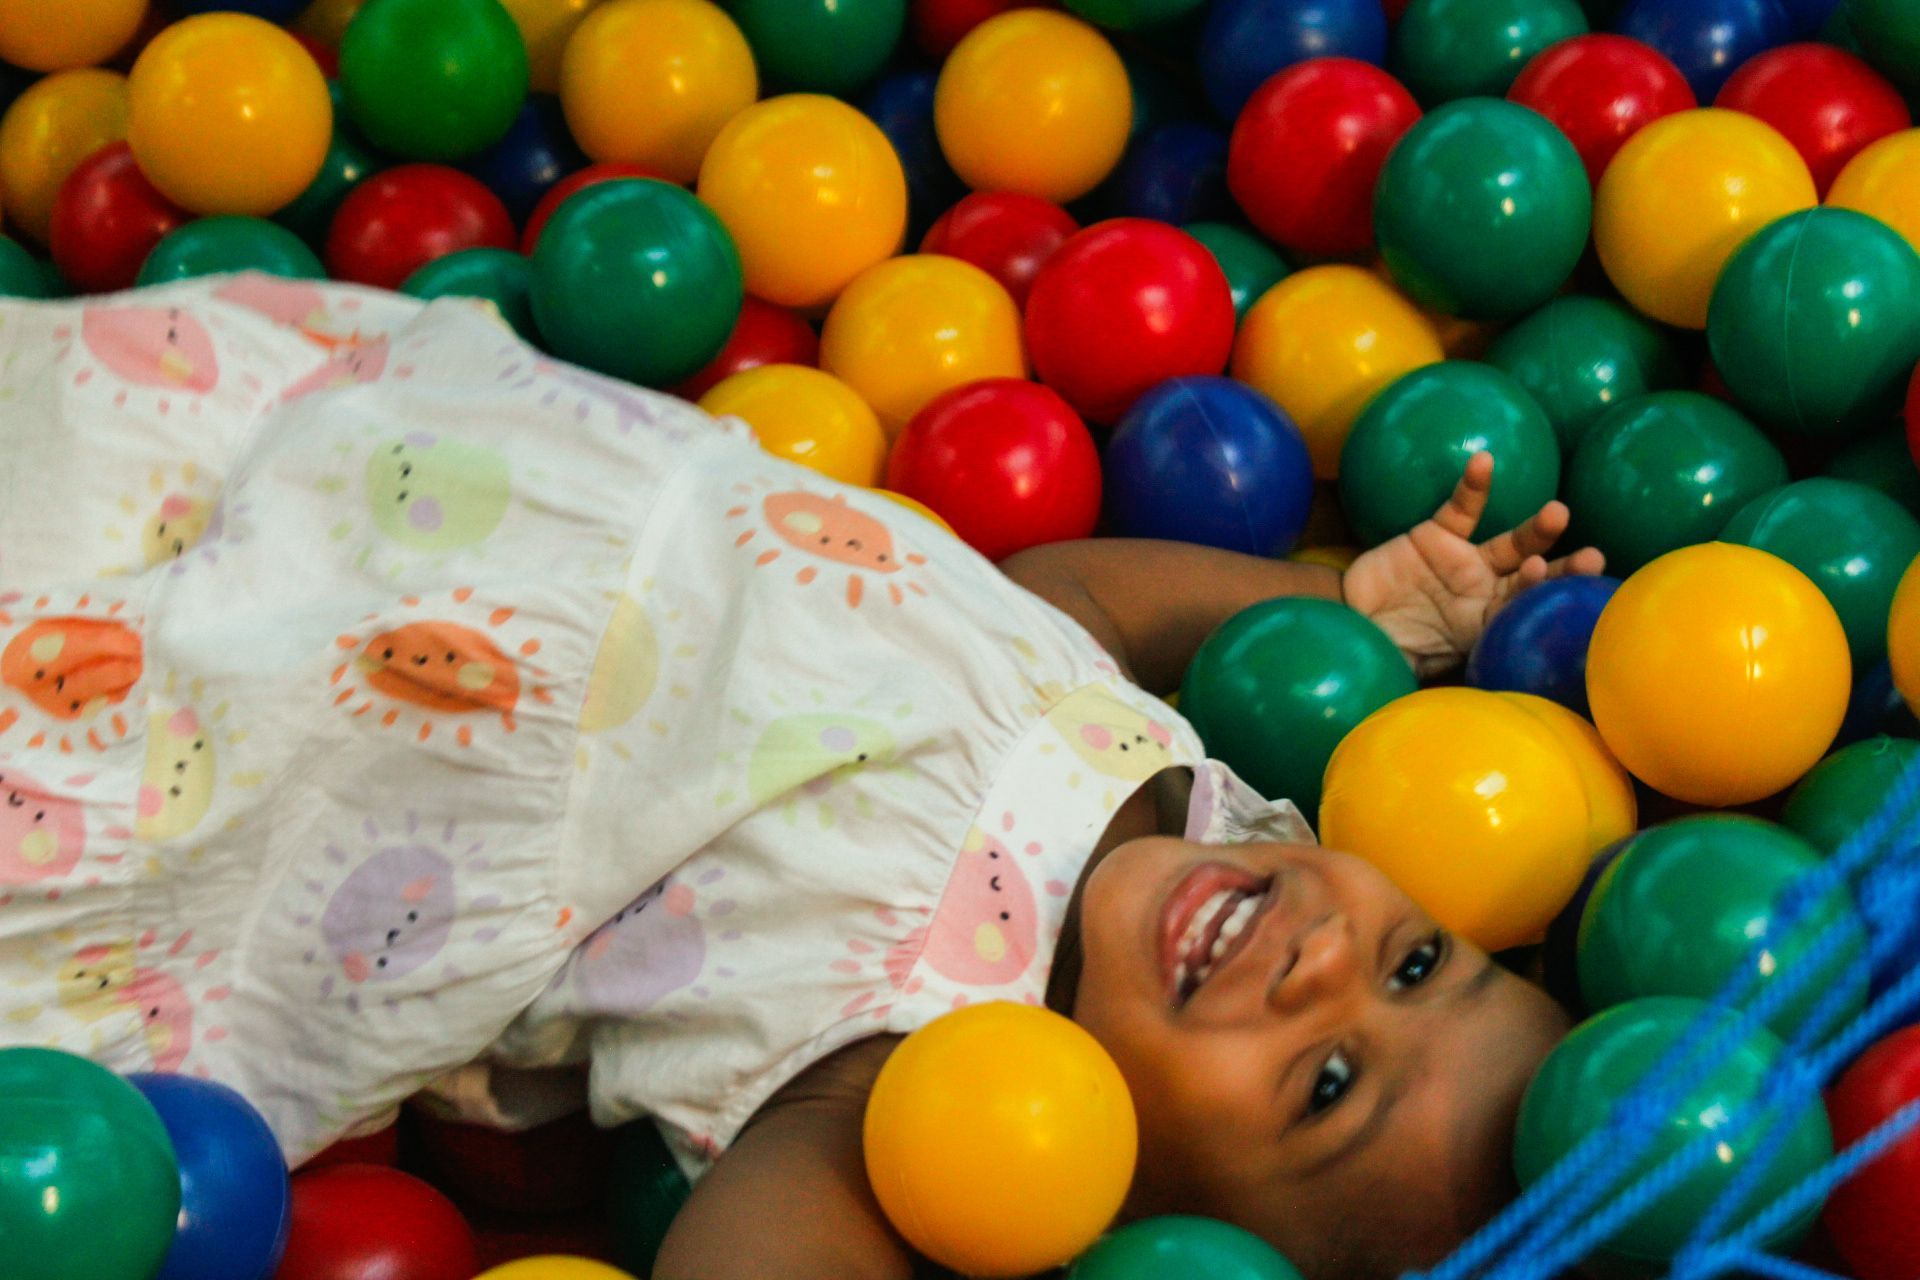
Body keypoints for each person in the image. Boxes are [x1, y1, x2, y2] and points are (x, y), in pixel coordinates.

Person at [0, 276, 1594, 1279]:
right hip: (428, 459)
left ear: (1129, 1214)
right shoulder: (1200, 777)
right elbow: (1062, 598)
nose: (1329, 969)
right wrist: (1341, 612)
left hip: (321, 716)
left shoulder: (908, 1077)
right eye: (1415, 960)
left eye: (1326, 1088)